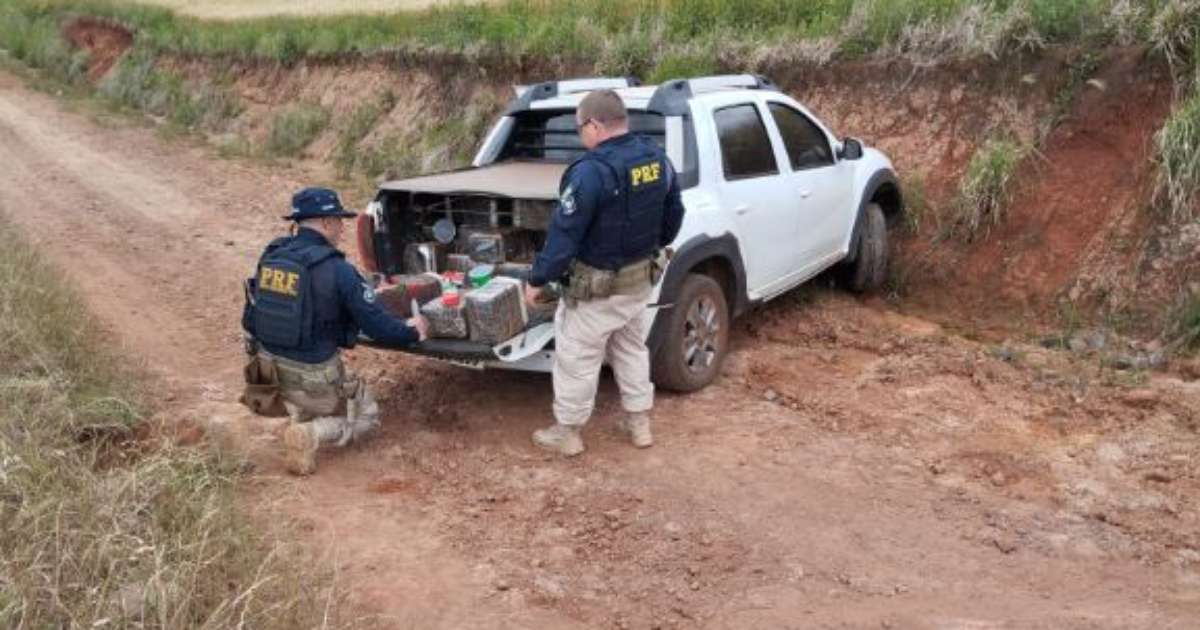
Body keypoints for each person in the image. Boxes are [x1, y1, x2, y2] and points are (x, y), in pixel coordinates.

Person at [524, 89, 685, 456]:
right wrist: (648, 246)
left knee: (578, 357)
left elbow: (563, 236)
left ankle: (568, 432)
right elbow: (674, 214)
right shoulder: (657, 158)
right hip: (639, 281)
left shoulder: (590, 173)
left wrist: (536, 280)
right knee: (630, 348)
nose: (582, 136)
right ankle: (639, 422)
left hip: (597, 289)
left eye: (581, 128)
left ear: (594, 125)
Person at [241, 187, 429, 475]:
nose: (342, 228)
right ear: (326, 223)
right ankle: (312, 433)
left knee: (305, 366)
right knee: (368, 417)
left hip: (265, 373)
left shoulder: (272, 255)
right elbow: (380, 328)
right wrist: (413, 331)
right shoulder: (338, 269)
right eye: (340, 221)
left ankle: (297, 413)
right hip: (312, 379)